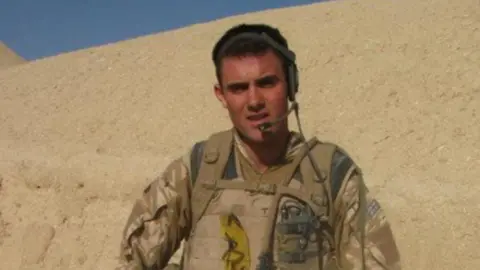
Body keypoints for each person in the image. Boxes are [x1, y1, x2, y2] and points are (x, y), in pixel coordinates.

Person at [116, 23, 402, 270]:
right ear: (221, 95)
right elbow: (133, 259)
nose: (254, 101)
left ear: (291, 84)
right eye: (238, 88)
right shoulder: (198, 168)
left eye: (266, 83)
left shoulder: (331, 174)